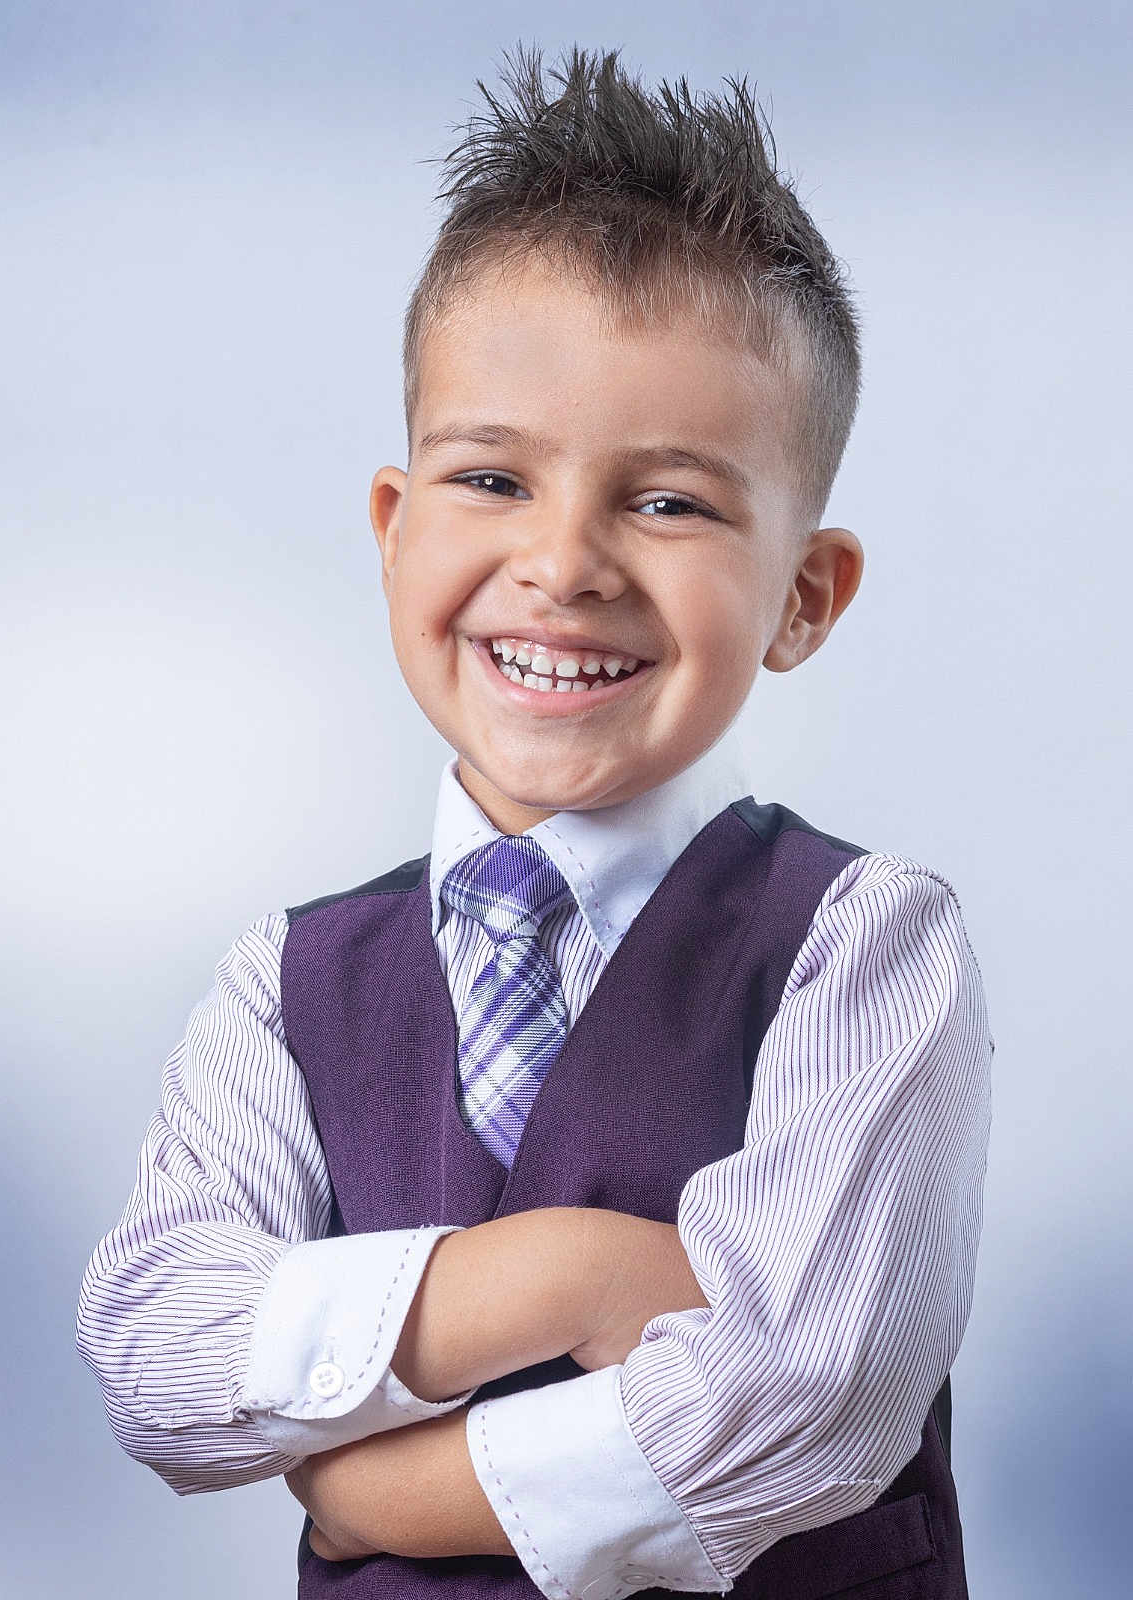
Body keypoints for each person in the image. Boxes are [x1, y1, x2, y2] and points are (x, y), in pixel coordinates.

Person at [76, 41, 993, 1600]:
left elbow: (799, 1403)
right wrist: (556, 1277)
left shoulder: (862, 944)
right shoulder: (283, 985)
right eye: (491, 478)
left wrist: (378, 1498)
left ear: (802, 597)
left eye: (670, 502)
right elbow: (158, 1354)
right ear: (393, 526)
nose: (562, 564)